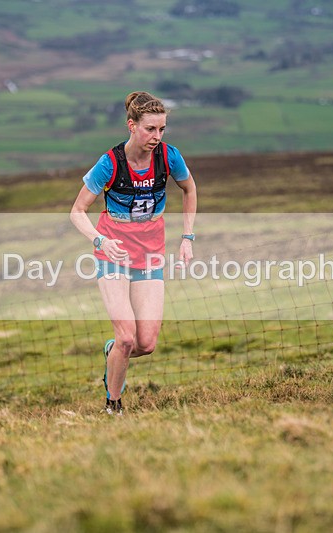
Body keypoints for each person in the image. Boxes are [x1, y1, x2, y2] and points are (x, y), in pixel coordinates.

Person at [70, 91, 197, 415]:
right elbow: (77, 211)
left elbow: (189, 188)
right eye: (150, 129)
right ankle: (113, 405)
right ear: (132, 126)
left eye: (162, 129)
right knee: (127, 338)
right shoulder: (110, 163)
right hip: (113, 254)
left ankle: (113, 352)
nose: (157, 136)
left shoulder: (169, 157)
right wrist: (99, 241)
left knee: (146, 344)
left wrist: (187, 238)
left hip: (151, 255)